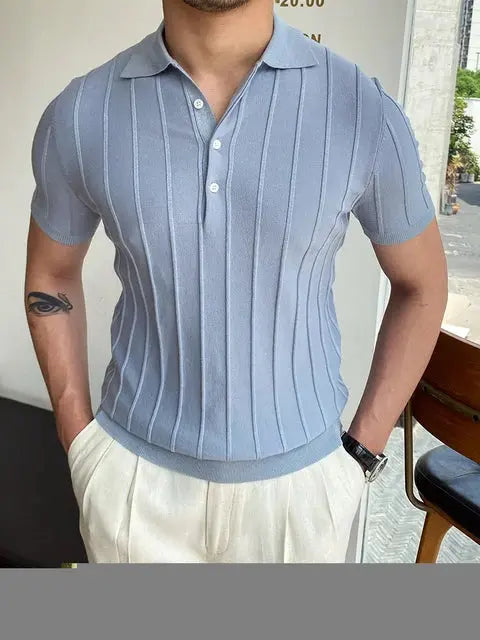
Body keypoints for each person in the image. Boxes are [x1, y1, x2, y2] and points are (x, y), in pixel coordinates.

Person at [24, 0, 448, 563]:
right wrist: (78, 438)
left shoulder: (362, 109)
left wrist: (360, 455)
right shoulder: (82, 112)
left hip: (302, 495)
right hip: (131, 486)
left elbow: (422, 286)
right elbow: (51, 275)